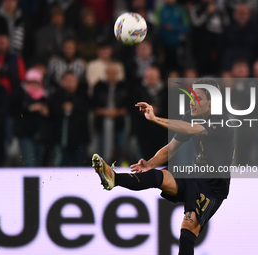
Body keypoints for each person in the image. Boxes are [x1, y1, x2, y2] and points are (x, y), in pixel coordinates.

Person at [92, 78, 235, 255]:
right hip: (193, 174)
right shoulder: (191, 116)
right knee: (157, 176)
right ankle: (114, 178)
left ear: (211, 103)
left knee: (188, 227)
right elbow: (172, 148)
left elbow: (191, 130)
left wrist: (155, 119)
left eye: (197, 98)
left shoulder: (224, 123)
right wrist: (149, 164)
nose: (191, 101)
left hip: (214, 185)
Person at [12, 68, 51, 167]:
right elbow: (15, 111)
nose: (33, 85)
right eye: (31, 82)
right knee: (30, 164)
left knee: (39, 165)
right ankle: (31, 183)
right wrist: (30, 109)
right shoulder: (20, 95)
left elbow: (52, 114)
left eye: (36, 82)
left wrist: (45, 111)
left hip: (41, 136)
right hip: (26, 135)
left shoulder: (46, 96)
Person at [50, 71, 89, 166]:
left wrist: (73, 107)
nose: (70, 83)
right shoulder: (56, 96)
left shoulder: (83, 96)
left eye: (72, 81)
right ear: (62, 82)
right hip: (61, 139)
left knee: (79, 165)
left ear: (77, 82)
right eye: (67, 81)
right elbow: (52, 111)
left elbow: (87, 109)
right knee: (61, 165)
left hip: (79, 140)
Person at [93, 63, 129, 163]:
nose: (112, 75)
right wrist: (106, 112)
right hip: (101, 122)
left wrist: (116, 112)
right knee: (101, 147)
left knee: (121, 146)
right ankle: (102, 164)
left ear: (118, 74)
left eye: (114, 73)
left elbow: (128, 107)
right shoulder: (98, 86)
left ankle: (121, 164)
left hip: (119, 122)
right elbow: (94, 107)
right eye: (110, 73)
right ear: (106, 73)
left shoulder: (124, 86)